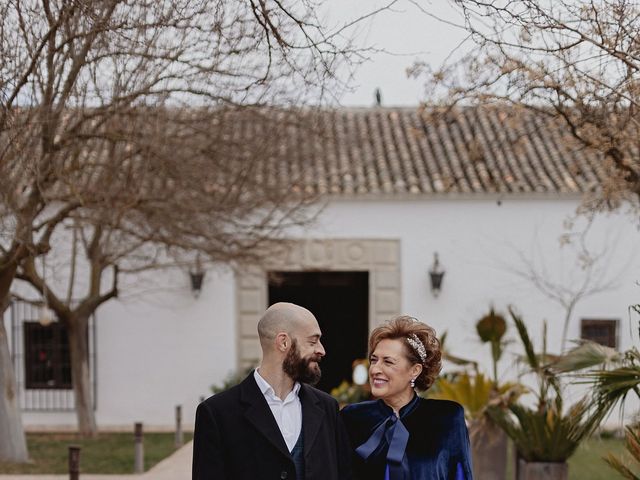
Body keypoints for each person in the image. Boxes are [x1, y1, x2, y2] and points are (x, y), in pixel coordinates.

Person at [192, 302, 352, 480]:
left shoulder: (327, 407)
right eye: (313, 341)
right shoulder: (217, 413)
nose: (321, 350)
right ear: (283, 342)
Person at [341, 316, 473, 480]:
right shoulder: (352, 417)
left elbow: (460, 474)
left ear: (414, 370)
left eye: (388, 362)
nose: (375, 369)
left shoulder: (447, 417)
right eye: (374, 360)